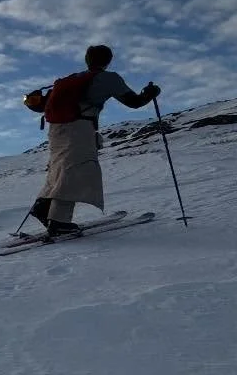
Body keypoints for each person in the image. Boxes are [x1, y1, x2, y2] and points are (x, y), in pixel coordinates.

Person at [28, 45, 159, 237]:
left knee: (59, 169)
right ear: (108, 60)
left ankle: (44, 207)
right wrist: (150, 93)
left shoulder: (72, 79)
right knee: (75, 171)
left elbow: (43, 106)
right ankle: (59, 222)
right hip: (79, 127)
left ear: (87, 59)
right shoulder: (108, 78)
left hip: (56, 130)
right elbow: (134, 102)